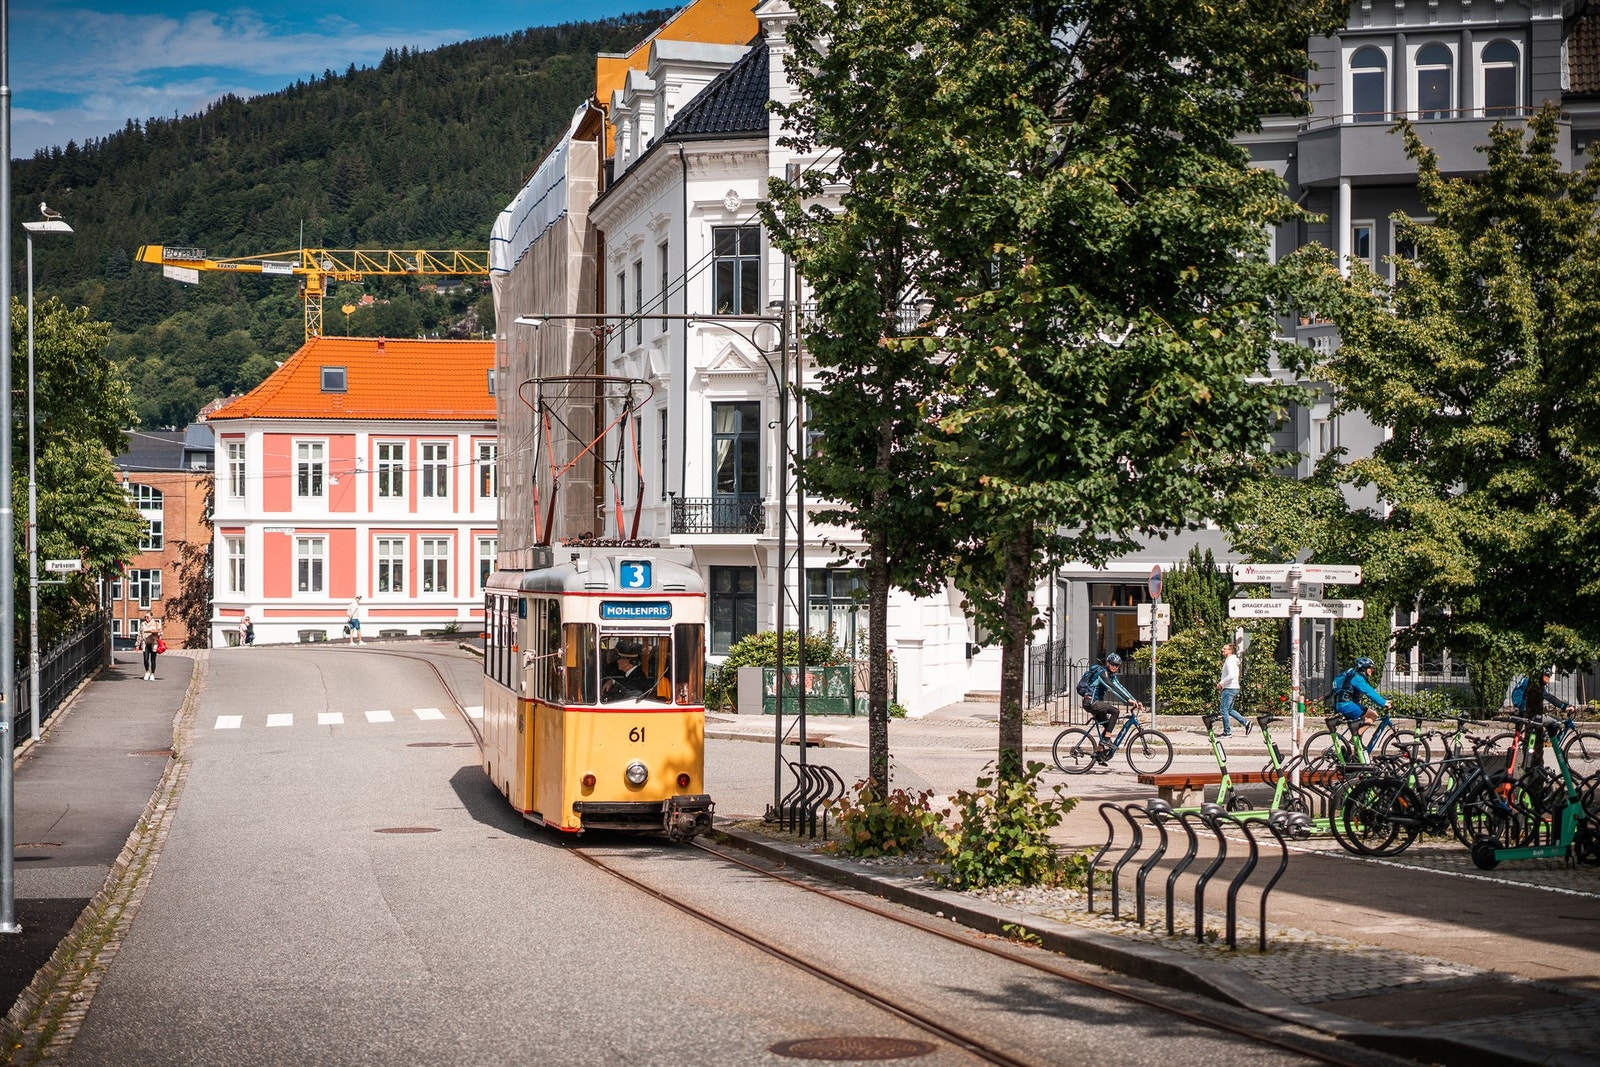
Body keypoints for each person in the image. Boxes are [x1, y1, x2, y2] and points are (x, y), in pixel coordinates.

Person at [1081, 653, 1142, 744]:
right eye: (1112, 664)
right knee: (1115, 711)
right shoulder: (1102, 674)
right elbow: (1113, 688)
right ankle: (1106, 739)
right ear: (1108, 663)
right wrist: (1128, 700)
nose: (1114, 666)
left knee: (1108, 726)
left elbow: (1121, 688)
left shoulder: (1112, 676)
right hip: (1091, 702)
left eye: (1117, 665)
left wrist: (1134, 700)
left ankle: (1099, 751)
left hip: (1097, 703)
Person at [1331, 656, 1387, 731]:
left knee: (1372, 715)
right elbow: (1369, 692)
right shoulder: (1357, 679)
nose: (1372, 670)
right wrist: (1383, 703)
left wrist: (1384, 701)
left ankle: (1357, 737)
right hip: (1346, 705)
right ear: (1364, 668)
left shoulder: (1359, 677)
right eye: (1370, 668)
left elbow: (1371, 690)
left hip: (1347, 704)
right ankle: (1357, 737)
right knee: (1373, 715)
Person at [1216, 642, 1249, 737]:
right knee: (1229, 710)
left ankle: (1227, 732)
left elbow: (1231, 675)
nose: (1222, 650)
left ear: (1230, 651)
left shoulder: (1230, 661)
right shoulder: (1233, 660)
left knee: (1223, 710)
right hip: (1233, 687)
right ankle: (1246, 723)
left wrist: (1221, 683)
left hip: (1229, 688)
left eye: (1224, 648)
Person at [139, 611, 162, 681]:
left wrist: (155, 632)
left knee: (153, 660)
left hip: (153, 643)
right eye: (145, 617)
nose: (146, 618)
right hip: (145, 643)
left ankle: (152, 674)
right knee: (145, 659)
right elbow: (140, 633)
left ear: (151, 617)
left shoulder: (156, 624)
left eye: (147, 617)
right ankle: (147, 672)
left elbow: (160, 633)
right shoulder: (143, 624)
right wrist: (138, 643)